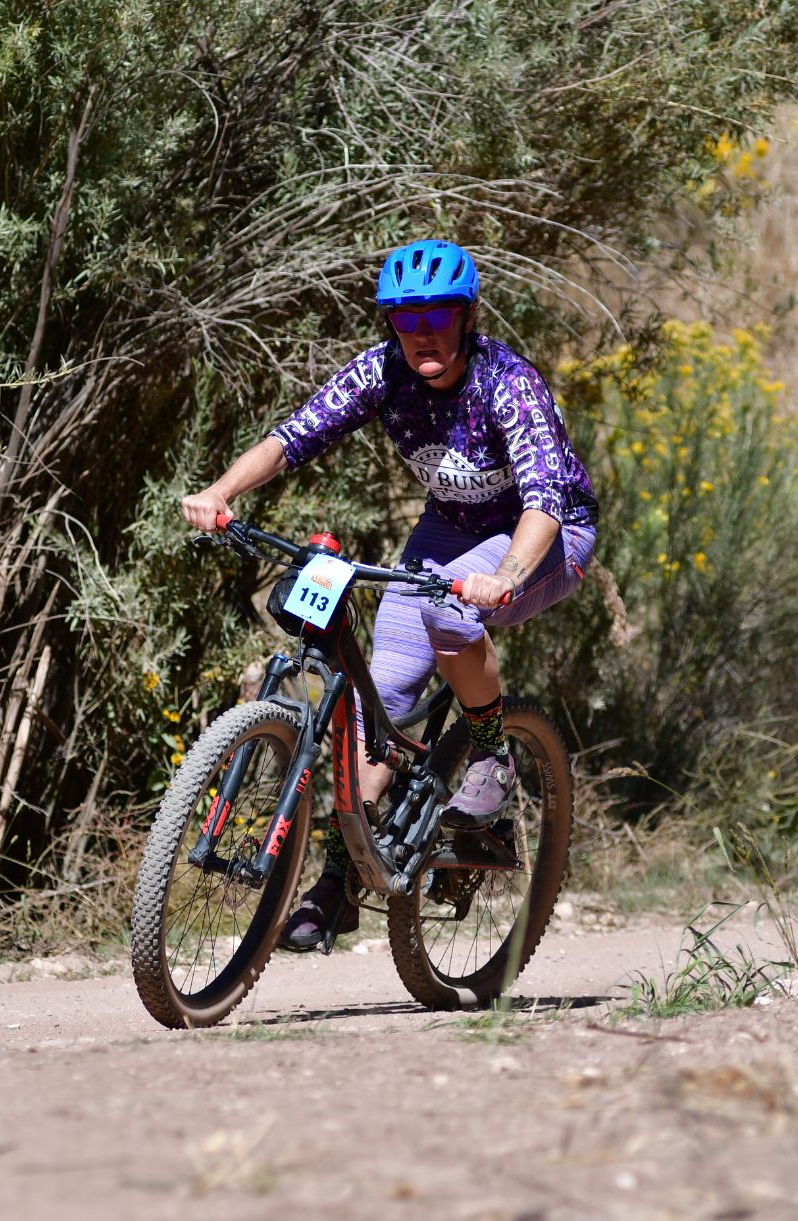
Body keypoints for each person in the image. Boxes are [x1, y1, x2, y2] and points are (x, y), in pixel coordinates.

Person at [179, 238, 598, 950]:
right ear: (390, 326)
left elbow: (545, 500)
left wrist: (505, 576)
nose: (423, 333)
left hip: (545, 536)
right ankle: (340, 880)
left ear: (468, 317)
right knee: (381, 707)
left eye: (437, 315)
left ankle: (492, 753)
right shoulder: (384, 371)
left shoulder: (508, 383)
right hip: (447, 532)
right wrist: (220, 492)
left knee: (451, 612)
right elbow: (295, 435)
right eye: (406, 320)